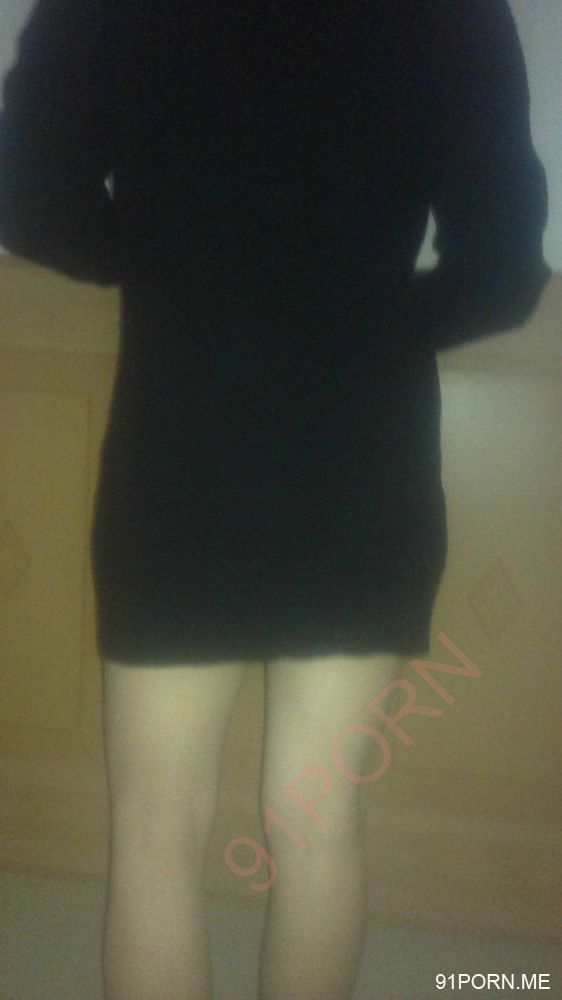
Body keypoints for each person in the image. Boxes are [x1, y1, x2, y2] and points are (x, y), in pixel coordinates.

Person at [0, 2, 550, 998]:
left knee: (154, 835)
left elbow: (29, 195)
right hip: (362, 451)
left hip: (181, 441)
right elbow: (506, 271)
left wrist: (170, 267)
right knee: (321, 826)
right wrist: (364, 325)